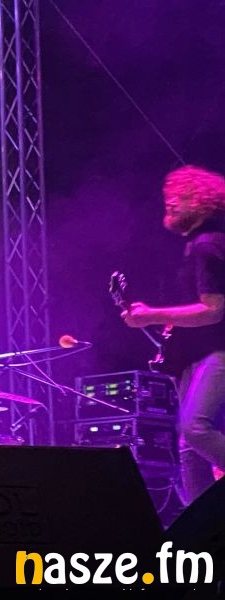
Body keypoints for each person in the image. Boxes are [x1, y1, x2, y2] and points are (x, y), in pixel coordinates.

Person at [121, 165, 225, 505]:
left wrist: (153, 315)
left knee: (195, 428)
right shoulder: (196, 245)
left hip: (217, 351)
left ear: (202, 202)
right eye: (168, 196)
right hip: (196, 355)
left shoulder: (207, 245)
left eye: (180, 196)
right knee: (189, 446)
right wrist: (167, 323)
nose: (170, 202)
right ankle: (206, 525)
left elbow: (213, 310)